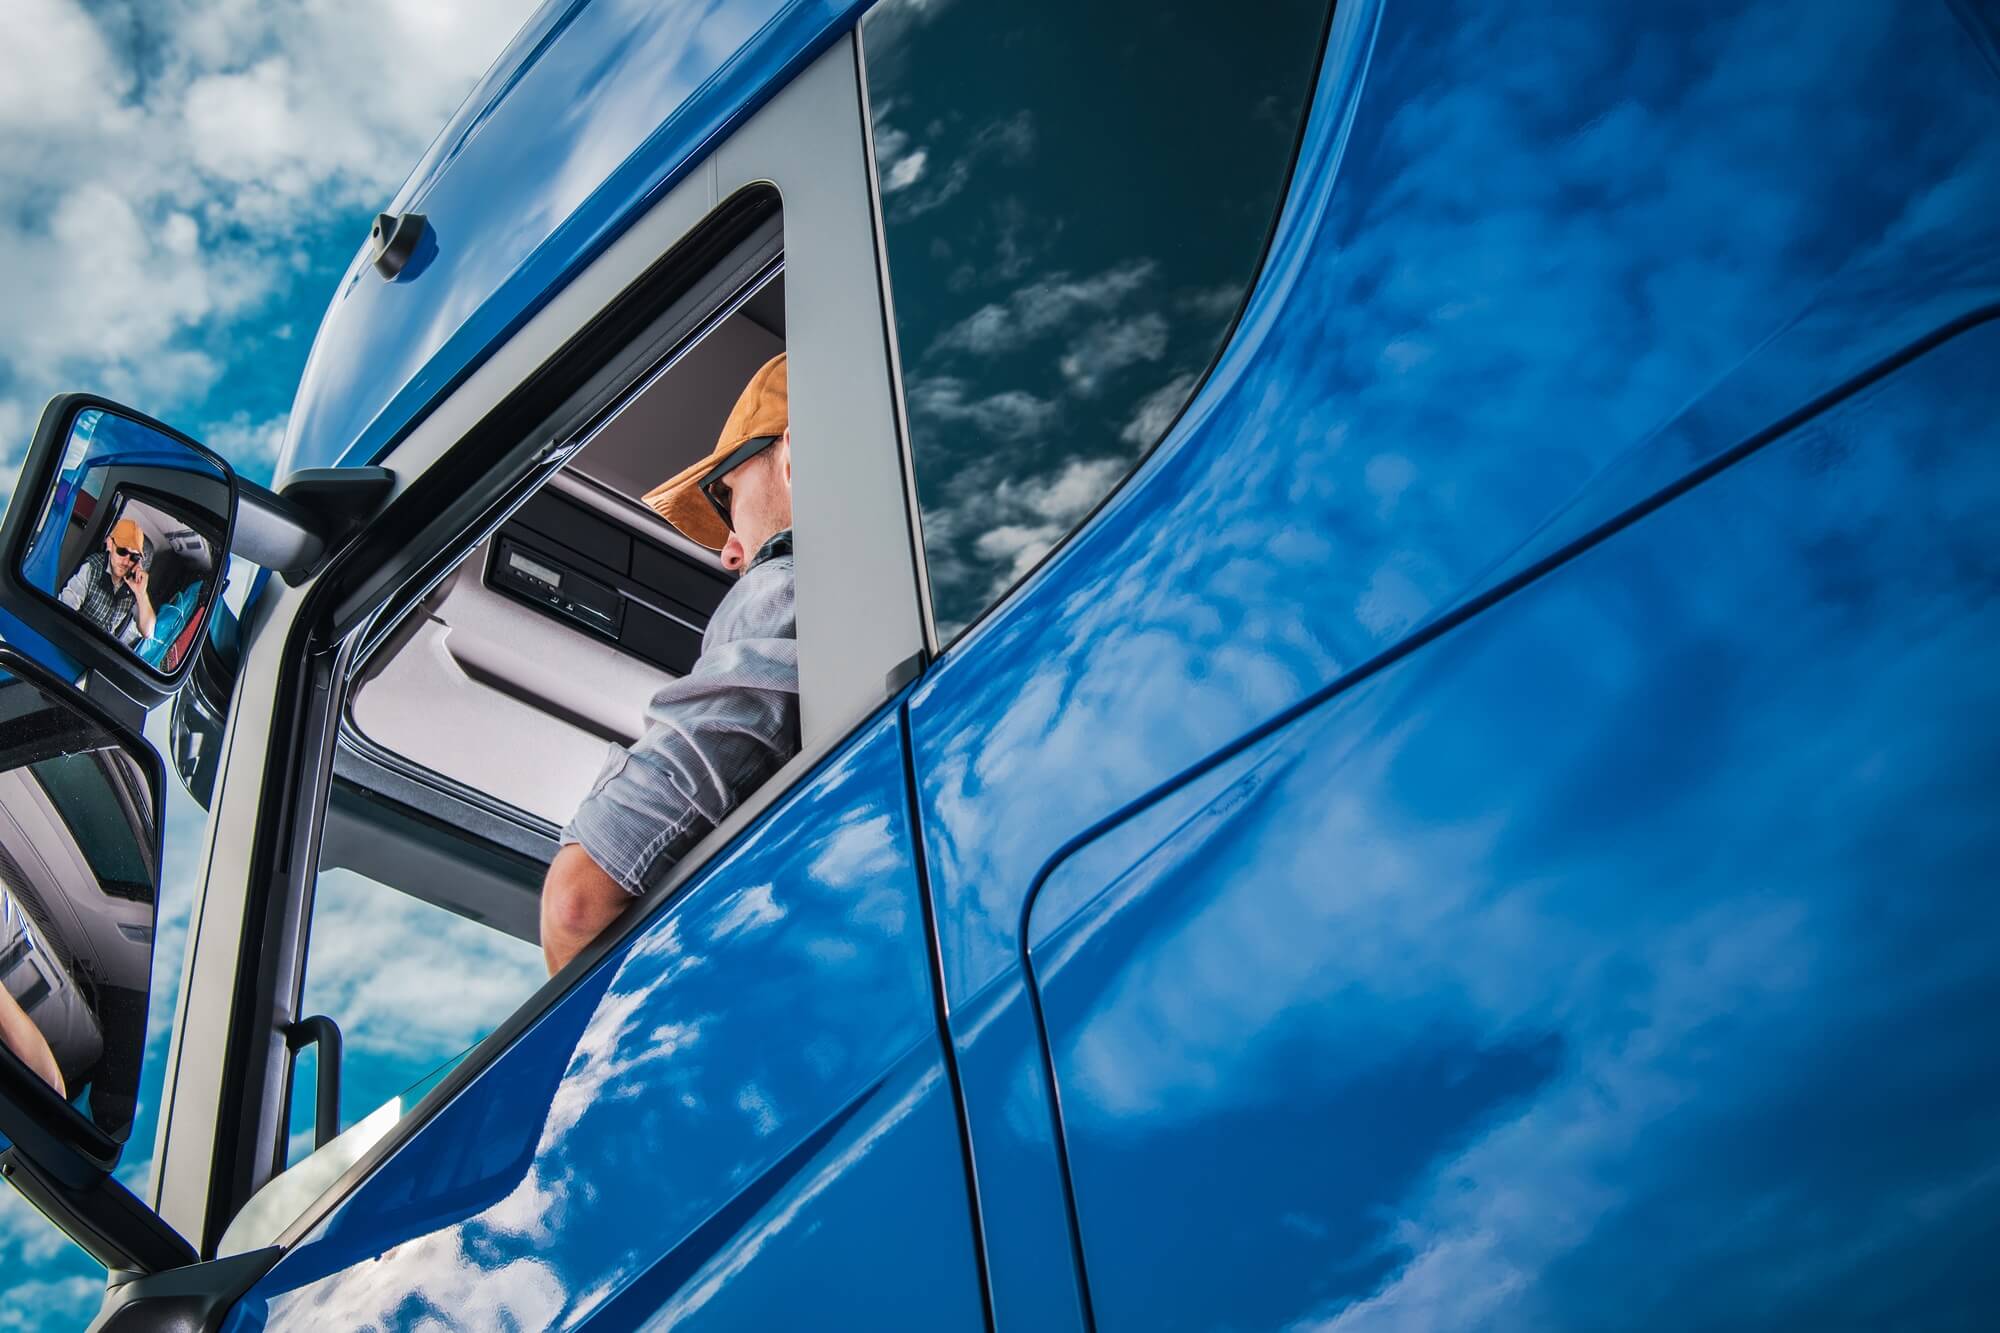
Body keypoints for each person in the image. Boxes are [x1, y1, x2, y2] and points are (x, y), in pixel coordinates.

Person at [540, 353, 799, 974]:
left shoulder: (790, 584)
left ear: (800, 460)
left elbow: (578, 904)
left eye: (723, 498)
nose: (730, 554)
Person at [57, 516, 157, 650]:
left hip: (103, 650)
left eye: (134, 557)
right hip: (76, 638)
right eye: (122, 551)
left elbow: (148, 632)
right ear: (110, 544)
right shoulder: (92, 568)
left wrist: (141, 594)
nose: (126, 561)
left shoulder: (134, 585)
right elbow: (65, 607)